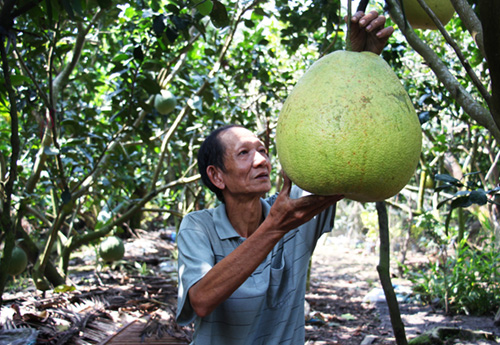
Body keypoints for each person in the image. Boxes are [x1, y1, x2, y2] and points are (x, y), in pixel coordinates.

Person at [176, 11, 394, 345]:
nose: (262, 160)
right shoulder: (198, 227)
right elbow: (201, 300)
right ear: (216, 176)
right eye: (245, 153)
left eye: (263, 150)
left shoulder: (295, 214)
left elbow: (341, 154)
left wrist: (360, 59)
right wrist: (274, 227)